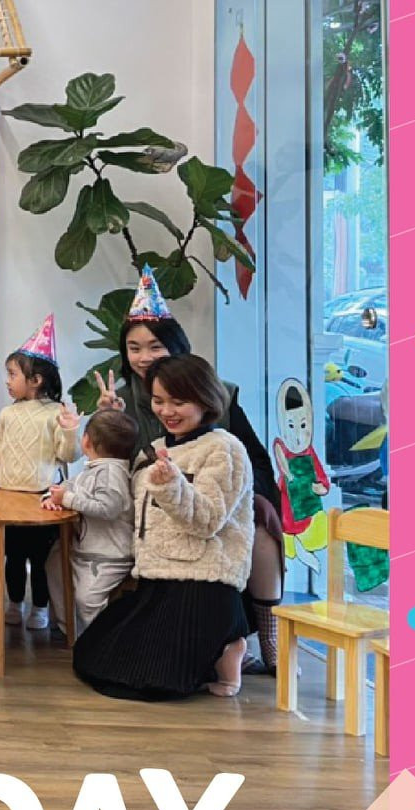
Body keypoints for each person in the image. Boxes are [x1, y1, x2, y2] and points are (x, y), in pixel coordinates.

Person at [92, 266, 286, 672]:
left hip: (216, 501)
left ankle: (267, 636)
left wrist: (250, 497)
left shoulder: (217, 392)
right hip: (155, 507)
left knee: (262, 523)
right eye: (134, 348)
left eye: (155, 346)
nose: (144, 357)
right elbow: (115, 469)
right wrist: (112, 423)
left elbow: (253, 456)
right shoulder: (121, 399)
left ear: (176, 346)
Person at [73, 355, 254, 700]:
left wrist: (172, 486)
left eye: (178, 402)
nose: (167, 411)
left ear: (205, 399)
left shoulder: (225, 449)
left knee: (153, 680)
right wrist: (110, 419)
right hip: (158, 575)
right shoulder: (156, 449)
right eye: (158, 401)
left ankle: (229, 642)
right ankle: (221, 646)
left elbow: (208, 520)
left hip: (205, 578)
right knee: (92, 657)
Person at [0, 316, 79, 632]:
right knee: (14, 556)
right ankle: (15, 602)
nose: (7, 381)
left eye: (12, 374)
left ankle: (41, 606)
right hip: (7, 496)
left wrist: (70, 431)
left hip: (42, 499)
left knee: (42, 559)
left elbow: (67, 454)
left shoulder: (55, 413)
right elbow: (0, 447)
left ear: (35, 380)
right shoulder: (7, 413)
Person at [44, 408, 137, 636]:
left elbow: (109, 507)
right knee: (54, 562)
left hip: (108, 555)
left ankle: (98, 640)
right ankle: (70, 628)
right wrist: (51, 497)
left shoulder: (111, 473)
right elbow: (69, 486)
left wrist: (68, 499)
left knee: (87, 600)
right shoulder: (94, 469)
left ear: (86, 441)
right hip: (87, 550)